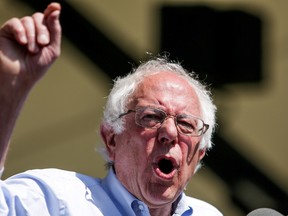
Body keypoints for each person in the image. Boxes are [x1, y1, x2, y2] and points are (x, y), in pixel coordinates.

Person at [0, 3, 222, 216]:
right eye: (152, 117)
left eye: (185, 124)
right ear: (111, 138)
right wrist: (7, 86)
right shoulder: (54, 201)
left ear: (199, 154)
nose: (170, 133)